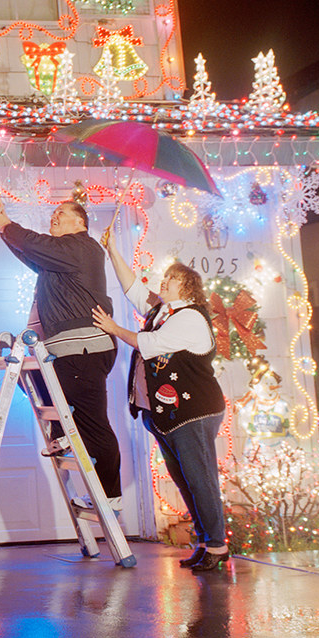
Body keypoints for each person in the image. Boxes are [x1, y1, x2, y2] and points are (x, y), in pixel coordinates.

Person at [91, 230, 230, 572]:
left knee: (200, 479)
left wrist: (113, 327)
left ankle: (217, 546)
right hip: (166, 415)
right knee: (184, 480)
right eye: (165, 277)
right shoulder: (162, 311)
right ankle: (204, 541)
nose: (164, 281)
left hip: (193, 413)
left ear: (187, 288)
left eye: (172, 279)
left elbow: (147, 344)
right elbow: (133, 288)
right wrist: (111, 248)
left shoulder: (191, 317)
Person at [0, 191, 121, 510]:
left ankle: (111, 496)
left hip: (82, 349)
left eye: (61, 213)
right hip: (67, 351)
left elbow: (36, 245)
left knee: (93, 423)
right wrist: (0, 225)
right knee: (38, 386)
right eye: (52, 213)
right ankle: (60, 434)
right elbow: (29, 253)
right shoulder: (60, 260)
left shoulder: (81, 247)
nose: (53, 216)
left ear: (80, 222)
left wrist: (6, 223)